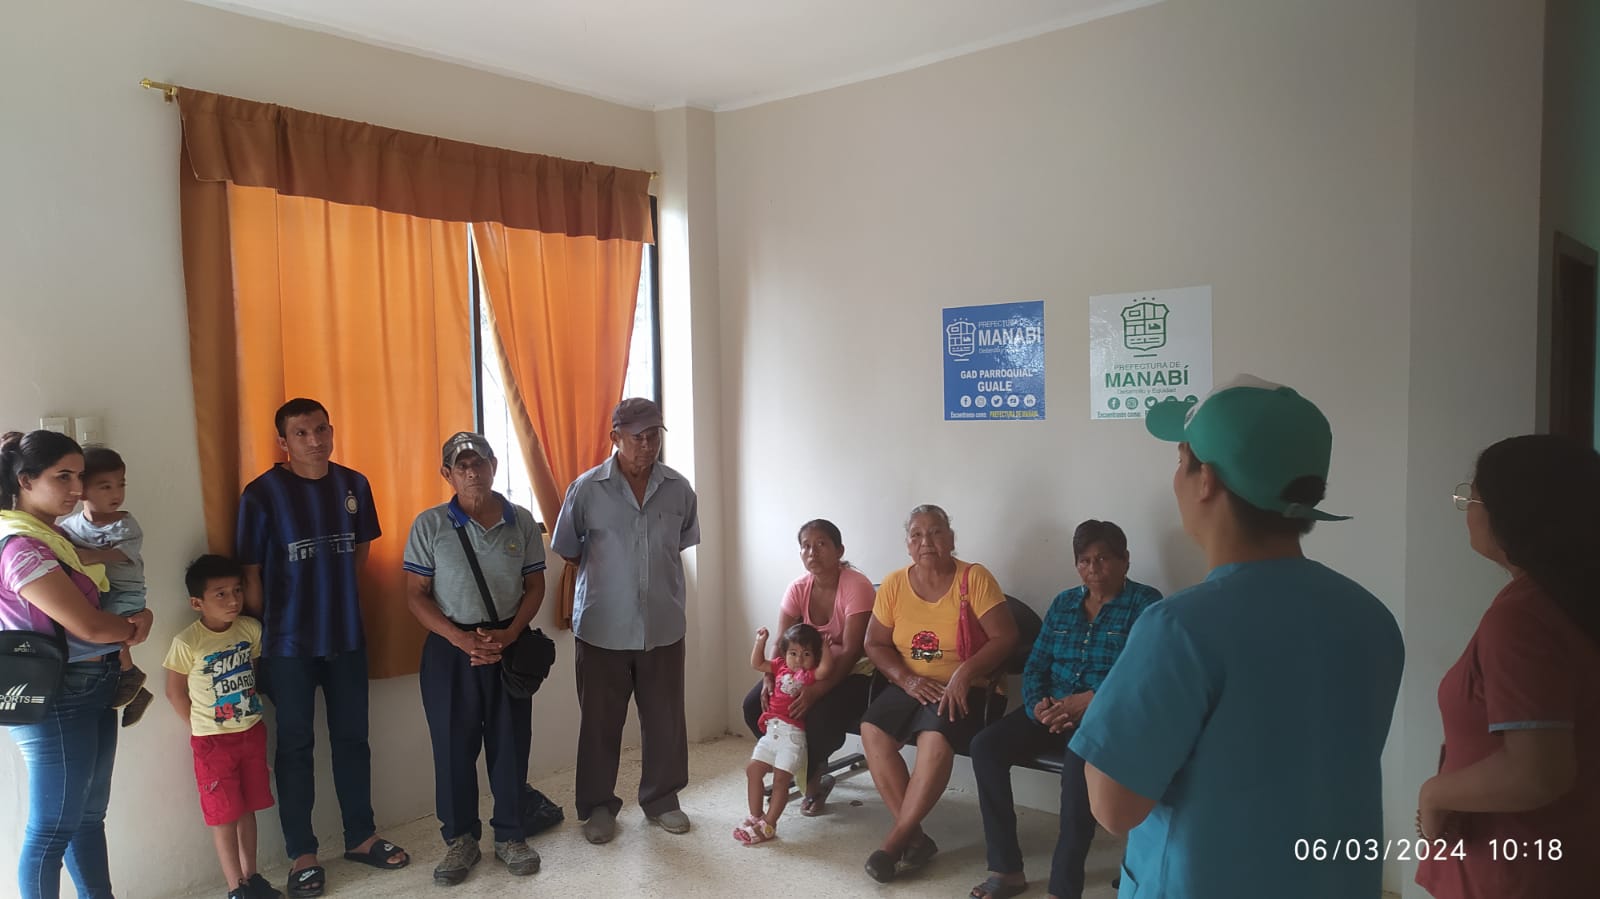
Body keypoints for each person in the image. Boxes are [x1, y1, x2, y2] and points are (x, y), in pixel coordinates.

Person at [1069, 376, 1405, 898]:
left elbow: (1114, 807)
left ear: (1206, 481)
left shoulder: (1179, 628)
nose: (1177, 478)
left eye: (1181, 460)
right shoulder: (1370, 616)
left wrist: (1106, 708)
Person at [235, 398, 407, 898]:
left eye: (321, 430)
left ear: (331, 431)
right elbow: (250, 572)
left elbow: (360, 549)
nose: (314, 440)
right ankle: (302, 854)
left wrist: (337, 601)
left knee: (353, 738)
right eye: (301, 433)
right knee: (294, 746)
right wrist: (267, 636)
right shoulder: (261, 495)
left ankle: (361, 835)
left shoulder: (354, 485)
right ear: (283, 442)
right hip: (287, 643)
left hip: (346, 636)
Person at [1416, 435, 1600, 898]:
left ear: (1513, 513)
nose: (1466, 511)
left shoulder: (1523, 618)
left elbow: (1537, 772)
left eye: (1472, 498)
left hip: (1518, 869)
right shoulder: (1563, 603)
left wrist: (1435, 794)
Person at [968, 519, 1162, 899]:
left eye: (1103, 559)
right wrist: (1039, 706)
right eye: (1085, 560)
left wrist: (1090, 700)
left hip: (1107, 717)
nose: (1093, 568)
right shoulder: (1064, 603)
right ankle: (1006, 870)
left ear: (1125, 560)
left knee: (1077, 772)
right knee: (985, 746)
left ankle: (1063, 889)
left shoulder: (1146, 604)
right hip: (1052, 709)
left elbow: (1145, 672)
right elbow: (1036, 665)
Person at [1, 430, 154, 899]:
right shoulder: (22, 546)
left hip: (91, 683)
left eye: (80, 476)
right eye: (62, 476)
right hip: (56, 696)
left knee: (88, 818)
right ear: (25, 480)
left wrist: (132, 622)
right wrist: (131, 626)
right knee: (51, 830)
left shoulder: (54, 537)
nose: (76, 488)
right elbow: (87, 624)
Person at [550, 397, 700, 844]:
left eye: (654, 435)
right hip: (602, 628)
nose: (648, 445)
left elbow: (680, 543)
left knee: (665, 719)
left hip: (663, 625)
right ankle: (598, 806)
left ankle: (662, 799)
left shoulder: (678, 489)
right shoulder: (586, 490)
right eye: (638, 437)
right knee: (600, 723)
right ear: (615, 438)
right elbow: (569, 549)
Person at [403, 433, 547, 887]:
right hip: (451, 650)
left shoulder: (520, 521)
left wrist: (510, 634)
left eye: (479, 463)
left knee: (511, 744)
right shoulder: (429, 525)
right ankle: (460, 838)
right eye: (461, 466)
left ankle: (510, 835)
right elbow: (415, 595)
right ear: (447, 474)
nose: (472, 472)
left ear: (493, 466)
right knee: (452, 748)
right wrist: (460, 639)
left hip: (507, 646)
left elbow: (535, 586)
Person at [859, 504, 1017, 884]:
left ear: (951, 538)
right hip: (912, 683)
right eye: (916, 534)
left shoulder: (974, 578)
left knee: (934, 738)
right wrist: (905, 679)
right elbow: (874, 643)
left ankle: (895, 843)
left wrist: (965, 672)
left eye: (935, 532)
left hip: (969, 687)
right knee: (872, 730)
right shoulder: (894, 584)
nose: (926, 541)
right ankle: (916, 838)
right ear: (907, 544)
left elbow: (1006, 636)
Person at [161, 555, 280, 899]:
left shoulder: (250, 629)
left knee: (248, 807)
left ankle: (252, 877)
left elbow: (253, 673)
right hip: (212, 743)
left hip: (251, 732)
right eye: (221, 594)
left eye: (237, 591)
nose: (233, 600)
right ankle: (235, 887)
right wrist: (201, 729)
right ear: (197, 603)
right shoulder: (188, 642)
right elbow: (174, 692)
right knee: (223, 814)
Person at [740, 518, 875, 815]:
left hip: (852, 672)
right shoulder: (798, 587)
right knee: (754, 706)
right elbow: (780, 643)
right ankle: (791, 763)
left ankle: (813, 779)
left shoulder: (857, 586)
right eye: (806, 546)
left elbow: (852, 651)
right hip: (804, 670)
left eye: (822, 544)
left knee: (818, 718)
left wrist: (818, 691)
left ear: (839, 550)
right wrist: (770, 677)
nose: (812, 552)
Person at [59, 444, 155, 726]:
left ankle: (130, 675)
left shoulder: (125, 524)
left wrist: (91, 556)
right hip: (100, 592)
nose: (116, 494)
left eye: (120, 485)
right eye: (105, 487)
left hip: (127, 592)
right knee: (102, 632)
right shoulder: (70, 527)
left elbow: (122, 554)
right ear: (82, 491)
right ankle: (133, 685)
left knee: (108, 632)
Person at [736, 622, 832, 845]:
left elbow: (826, 670)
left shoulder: (809, 675)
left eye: (806, 654)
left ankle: (769, 824)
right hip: (771, 732)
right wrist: (760, 641)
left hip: (792, 738)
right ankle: (756, 816)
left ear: (814, 657)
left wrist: (826, 648)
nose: (799, 659)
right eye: (793, 653)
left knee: (781, 780)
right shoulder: (779, 666)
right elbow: (757, 663)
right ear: (784, 653)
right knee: (753, 770)